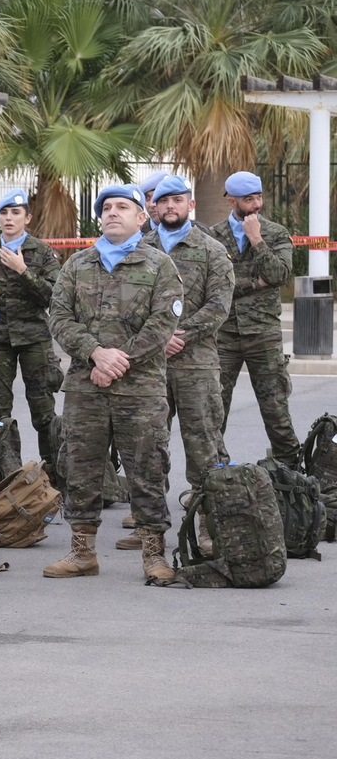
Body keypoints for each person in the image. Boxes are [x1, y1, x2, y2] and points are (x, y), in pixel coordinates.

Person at [45, 183, 182, 582]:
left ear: (141, 217)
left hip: (140, 390)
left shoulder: (159, 265)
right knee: (80, 467)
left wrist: (118, 360)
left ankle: (154, 555)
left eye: (122, 206)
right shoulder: (77, 264)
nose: (112, 212)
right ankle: (82, 553)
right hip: (85, 387)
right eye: (106, 207)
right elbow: (59, 318)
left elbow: (163, 322)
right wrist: (94, 353)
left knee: (147, 468)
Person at [139, 175, 234, 551]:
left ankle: (208, 524)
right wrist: (156, 339)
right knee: (148, 445)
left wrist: (181, 335)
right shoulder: (141, 248)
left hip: (197, 364)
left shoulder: (212, 249)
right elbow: (128, 305)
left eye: (177, 200)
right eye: (163, 201)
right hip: (150, 365)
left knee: (204, 445)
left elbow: (219, 305)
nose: (170, 206)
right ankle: (149, 526)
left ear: (190, 205)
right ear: (154, 207)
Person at [206, 171, 300, 468]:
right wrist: (254, 284)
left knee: (276, 409)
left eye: (259, 197)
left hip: (264, 333)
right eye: (248, 199)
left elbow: (278, 275)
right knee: (214, 409)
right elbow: (213, 286)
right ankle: (215, 473)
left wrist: (256, 239)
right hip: (224, 335)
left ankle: (290, 471)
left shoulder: (275, 233)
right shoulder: (212, 237)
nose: (256, 204)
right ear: (231, 201)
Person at [0, 189, 62, 471]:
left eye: (15, 213)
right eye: (4, 213)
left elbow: (53, 296)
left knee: (43, 410)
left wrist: (23, 270)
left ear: (27, 218)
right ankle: (6, 473)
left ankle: (53, 474)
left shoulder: (42, 251)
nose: (9, 218)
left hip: (35, 338)